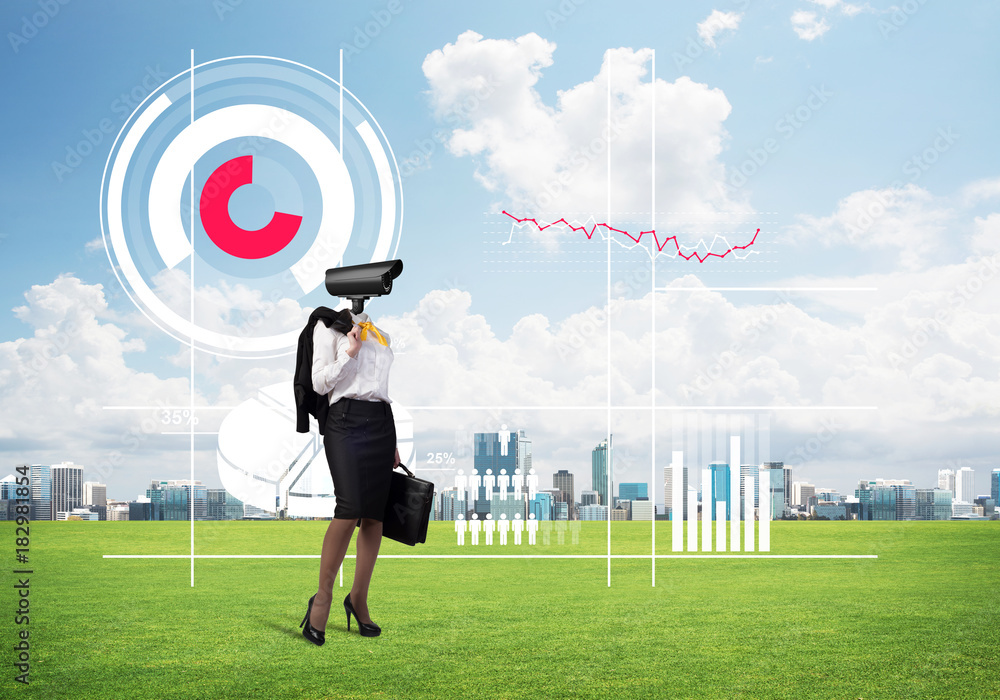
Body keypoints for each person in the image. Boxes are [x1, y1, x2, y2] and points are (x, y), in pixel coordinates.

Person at [299, 307, 399, 645]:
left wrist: (394, 442)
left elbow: (381, 389)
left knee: (374, 516)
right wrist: (350, 353)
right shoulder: (330, 328)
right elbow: (318, 382)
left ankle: (358, 599)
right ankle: (322, 599)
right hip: (345, 421)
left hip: (382, 423)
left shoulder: (380, 333)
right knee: (350, 508)